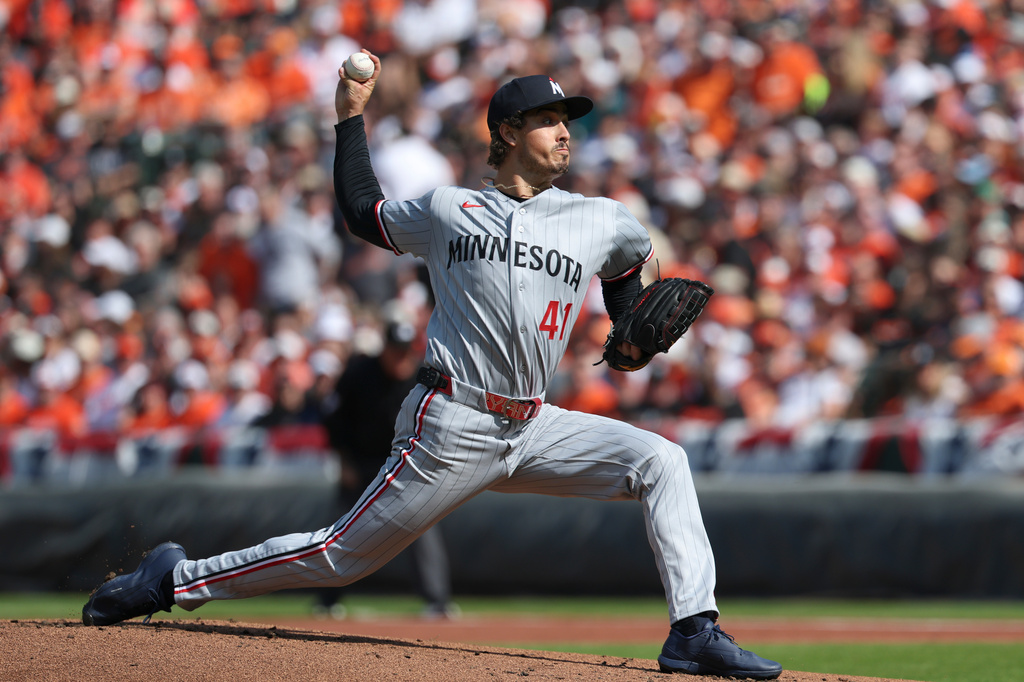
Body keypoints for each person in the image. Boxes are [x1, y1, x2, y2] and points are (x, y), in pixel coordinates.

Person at [82, 53, 782, 680]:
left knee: (662, 460)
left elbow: (625, 286)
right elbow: (362, 211)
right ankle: (175, 580)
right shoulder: (450, 209)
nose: (565, 131)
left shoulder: (604, 217)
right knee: (340, 556)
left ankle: (694, 631)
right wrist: (349, 121)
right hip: (451, 422)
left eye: (568, 119)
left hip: (536, 425)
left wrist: (629, 341)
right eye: (547, 119)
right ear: (506, 133)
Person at [314, 315, 457, 620]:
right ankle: (326, 601)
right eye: (396, 349)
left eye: (407, 350)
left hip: (406, 466)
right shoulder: (359, 373)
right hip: (362, 464)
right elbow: (334, 421)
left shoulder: (424, 376)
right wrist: (344, 462)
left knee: (422, 528)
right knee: (341, 531)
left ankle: (437, 602)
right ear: (384, 349)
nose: (401, 356)